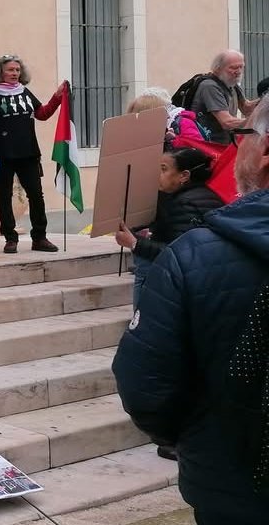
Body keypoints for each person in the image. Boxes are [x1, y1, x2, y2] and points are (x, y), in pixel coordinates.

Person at [113, 99, 269, 524]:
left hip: (237, 489)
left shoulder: (196, 256)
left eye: (244, 136)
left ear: (266, 150)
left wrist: (198, 438)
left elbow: (146, 387)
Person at [0, 55, 66, 254]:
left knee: (36, 195)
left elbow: (42, 113)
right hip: (1, 154)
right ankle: (10, 238)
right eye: (10, 70)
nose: (15, 73)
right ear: (0, 72)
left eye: (17, 70)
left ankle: (40, 238)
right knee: (4, 196)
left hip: (28, 152)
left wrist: (57, 97)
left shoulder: (24, 92)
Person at [114, 146, 224, 302]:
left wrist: (135, 243)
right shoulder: (198, 195)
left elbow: (181, 255)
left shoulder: (185, 204)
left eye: (163, 169)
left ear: (184, 176)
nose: (156, 175)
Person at [190, 50, 259, 144]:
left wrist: (264, 98)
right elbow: (227, 123)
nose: (238, 71)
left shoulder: (231, 83)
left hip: (227, 143)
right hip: (210, 145)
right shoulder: (210, 86)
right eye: (233, 68)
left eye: (241, 67)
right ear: (218, 68)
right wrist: (258, 122)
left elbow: (246, 108)